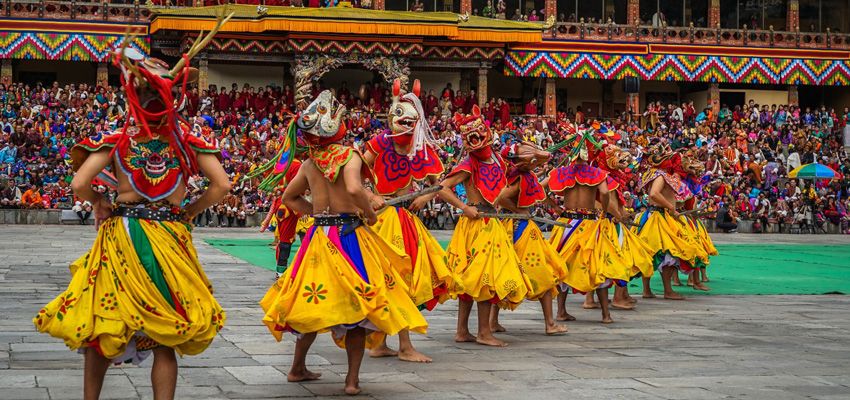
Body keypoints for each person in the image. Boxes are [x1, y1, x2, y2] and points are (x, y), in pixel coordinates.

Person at [33, 33, 230, 400]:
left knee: (104, 325)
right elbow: (222, 185)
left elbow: (80, 183)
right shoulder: (187, 139)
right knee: (164, 335)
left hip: (123, 234)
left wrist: (100, 202)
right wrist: (190, 210)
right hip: (169, 237)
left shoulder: (119, 136)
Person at [259, 91, 427, 395]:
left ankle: (297, 368)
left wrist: (317, 214)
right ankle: (351, 381)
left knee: (312, 302)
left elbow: (288, 197)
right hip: (348, 237)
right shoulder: (349, 155)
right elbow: (352, 187)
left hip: (318, 238)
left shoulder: (310, 163)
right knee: (358, 310)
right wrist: (368, 212)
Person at [362, 79, 452, 363]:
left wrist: (424, 198)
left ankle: (395, 343)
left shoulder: (421, 148)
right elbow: (355, 174)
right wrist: (369, 195)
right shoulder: (378, 144)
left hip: (405, 219)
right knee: (389, 280)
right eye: (400, 117)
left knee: (404, 280)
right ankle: (398, 345)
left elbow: (439, 184)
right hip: (381, 219)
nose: (405, 123)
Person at [436, 105, 530, 347]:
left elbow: (500, 194)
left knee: (474, 279)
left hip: (492, 223)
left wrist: (516, 210)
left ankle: (464, 331)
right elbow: (443, 188)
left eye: (478, 135)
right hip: (476, 224)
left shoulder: (498, 160)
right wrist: (464, 207)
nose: (475, 140)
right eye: (470, 137)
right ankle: (483, 332)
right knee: (483, 278)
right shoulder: (469, 164)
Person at [546, 126, 625, 324]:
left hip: (566, 224)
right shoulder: (596, 172)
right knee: (598, 265)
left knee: (562, 266)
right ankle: (606, 315)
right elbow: (605, 193)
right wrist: (604, 211)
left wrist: (554, 207)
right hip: (590, 223)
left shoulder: (561, 172)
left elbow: (539, 189)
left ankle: (561, 311)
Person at [490, 140, 568, 334]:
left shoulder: (521, 176)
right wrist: (519, 211)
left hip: (514, 226)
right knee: (544, 273)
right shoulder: (519, 178)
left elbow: (536, 190)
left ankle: (492, 322)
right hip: (521, 227)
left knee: (507, 272)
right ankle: (550, 324)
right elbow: (502, 198)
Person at [633, 141, 707, 300]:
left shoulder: (650, 174)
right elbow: (654, 194)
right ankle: (668, 290)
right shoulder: (660, 174)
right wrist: (671, 208)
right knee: (668, 254)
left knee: (651, 253)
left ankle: (647, 290)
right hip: (660, 217)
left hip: (652, 215)